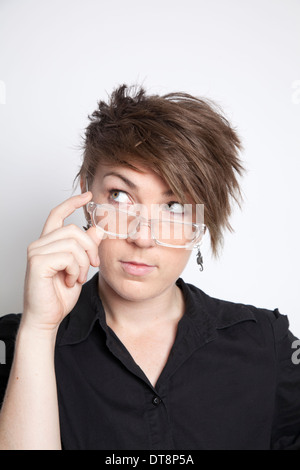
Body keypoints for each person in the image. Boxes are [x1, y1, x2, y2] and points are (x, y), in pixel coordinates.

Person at [0, 84, 299, 450]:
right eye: (120, 196)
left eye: (174, 207)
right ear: (85, 193)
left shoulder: (269, 342)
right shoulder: (15, 342)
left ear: (202, 222)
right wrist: (38, 330)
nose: (143, 238)